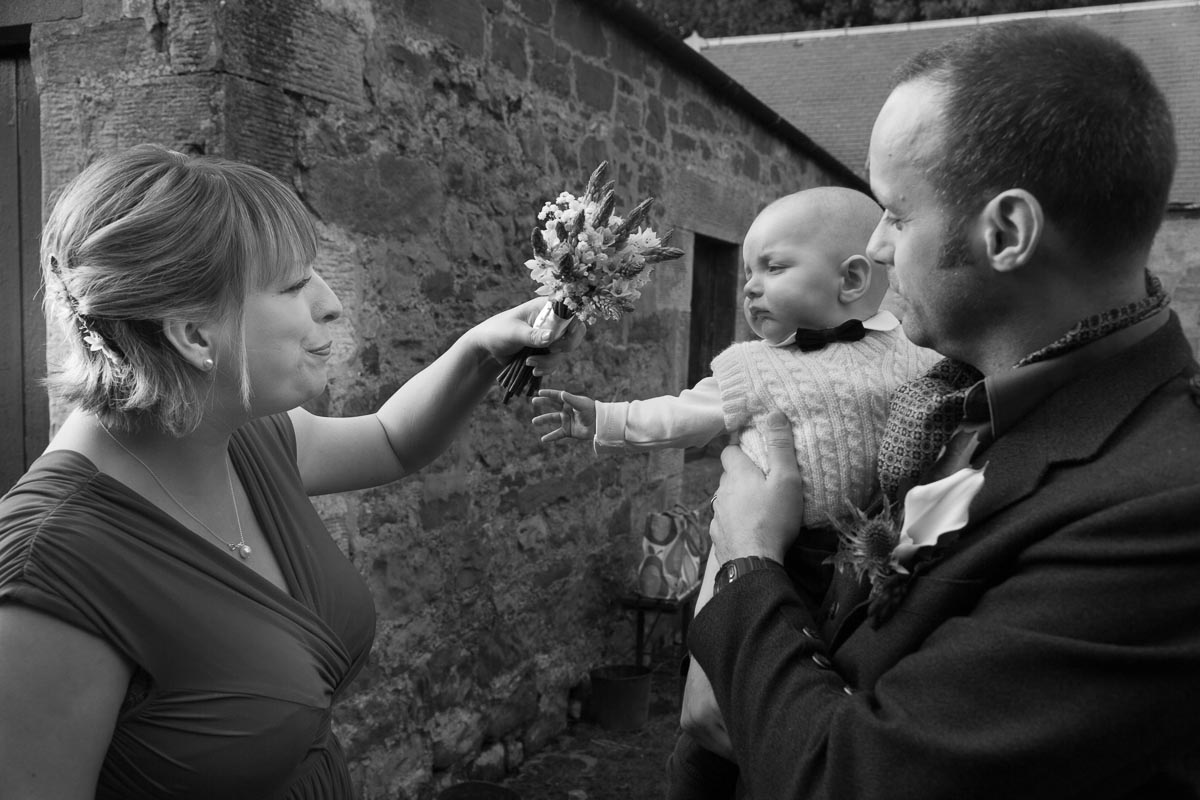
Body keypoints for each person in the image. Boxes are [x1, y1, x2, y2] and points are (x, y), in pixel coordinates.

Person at [686, 20, 1200, 800]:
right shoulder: (941, 402)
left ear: (1007, 232)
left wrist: (745, 561)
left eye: (896, 214)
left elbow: (848, 778)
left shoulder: (1164, 510)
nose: (877, 248)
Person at [0, 144, 581, 800]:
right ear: (194, 334)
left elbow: (389, 441)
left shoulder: (239, 436)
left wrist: (482, 349)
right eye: (293, 285)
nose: (330, 304)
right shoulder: (52, 571)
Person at [532, 187, 937, 794]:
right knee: (714, 727)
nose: (750, 287)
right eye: (747, 272)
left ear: (852, 279)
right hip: (776, 559)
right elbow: (681, 413)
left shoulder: (912, 352)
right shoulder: (753, 366)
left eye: (772, 268)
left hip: (861, 563)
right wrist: (605, 419)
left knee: (815, 687)